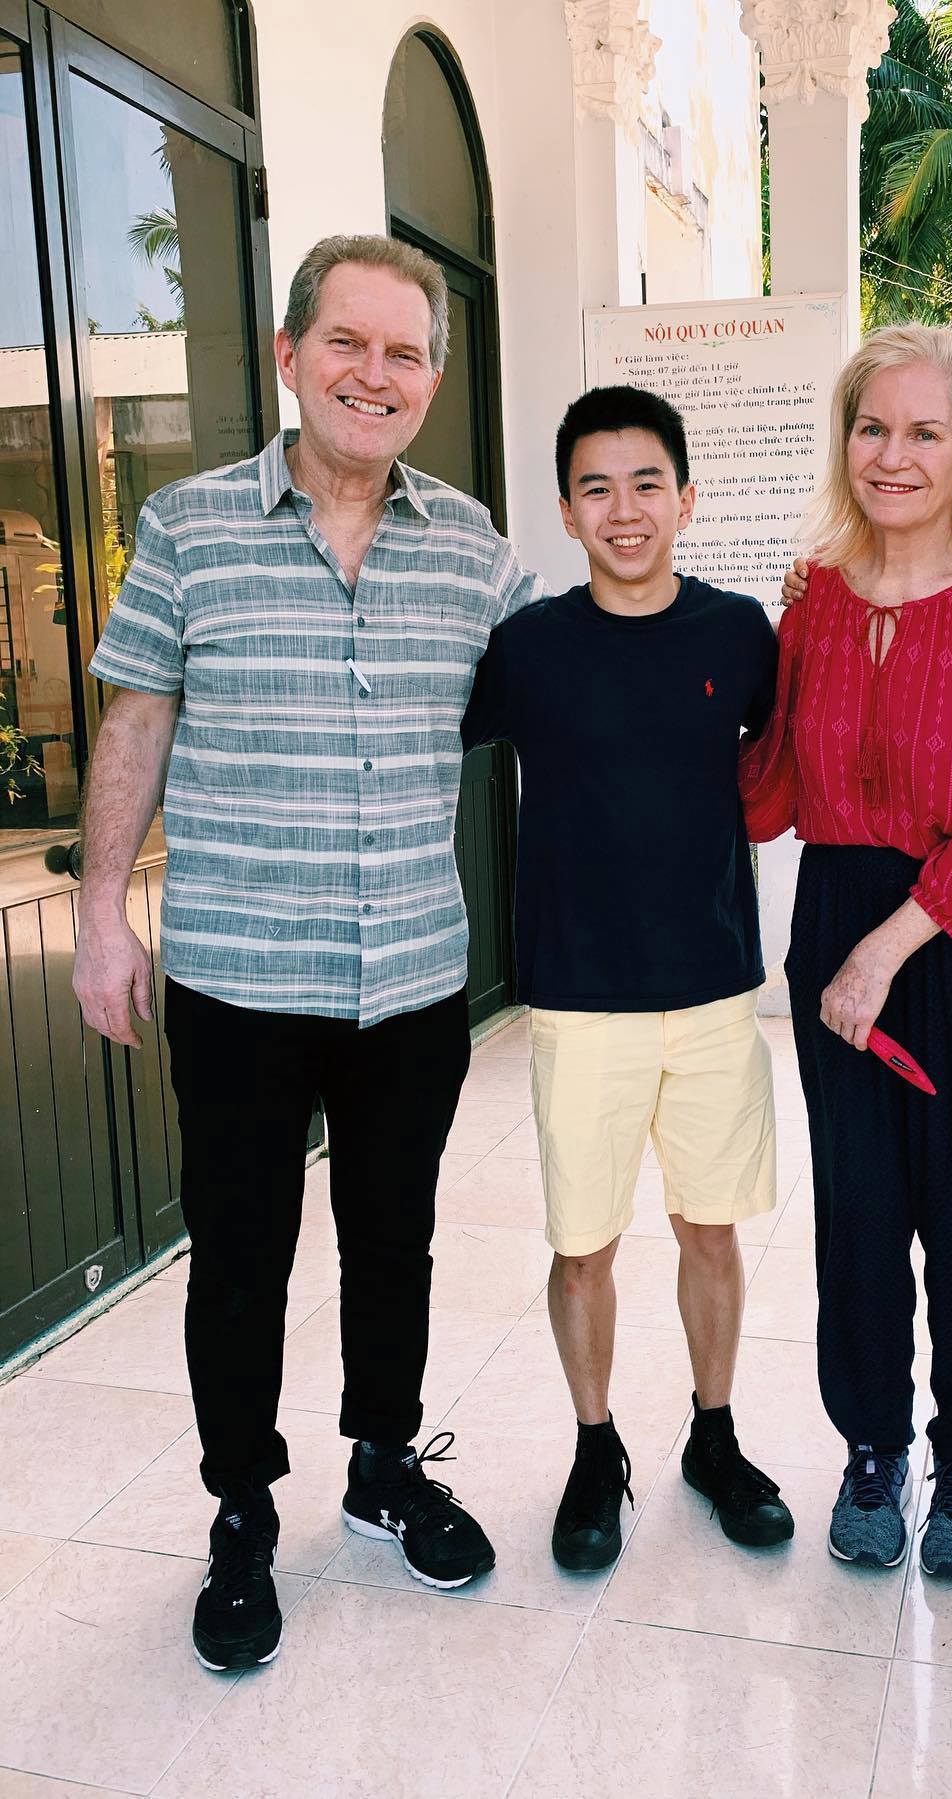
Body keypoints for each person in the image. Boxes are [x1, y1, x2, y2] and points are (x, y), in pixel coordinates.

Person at [74, 235, 544, 1671]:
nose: (373, 374)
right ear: (290, 356)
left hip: (410, 978)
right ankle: (240, 1507)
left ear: (433, 382)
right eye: (348, 342)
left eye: (405, 353)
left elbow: (570, 692)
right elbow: (136, 720)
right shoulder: (187, 526)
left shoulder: (473, 547)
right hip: (237, 977)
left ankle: (384, 1463)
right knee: (241, 1259)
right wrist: (101, 911)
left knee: (393, 1242)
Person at [460, 384, 794, 1572]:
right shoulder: (529, 648)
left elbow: (792, 754)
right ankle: (595, 1448)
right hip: (579, 997)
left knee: (711, 1227)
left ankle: (715, 1434)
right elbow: (415, 731)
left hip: (711, 987)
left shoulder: (739, 634)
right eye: (596, 488)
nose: (625, 508)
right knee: (583, 1244)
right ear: (566, 511)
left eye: (647, 482)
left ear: (687, 498)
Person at [741, 325, 952, 1578]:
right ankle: (873, 1448)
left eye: (927, 431)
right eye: (873, 427)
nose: (894, 454)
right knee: (859, 1209)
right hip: (834, 911)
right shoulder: (814, 597)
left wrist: (890, 947)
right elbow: (770, 793)